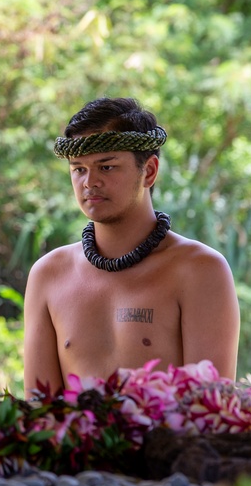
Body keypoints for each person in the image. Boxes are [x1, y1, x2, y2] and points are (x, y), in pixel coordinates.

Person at [23, 97, 239, 399]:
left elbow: (209, 413)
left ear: (149, 171)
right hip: (71, 447)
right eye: (79, 169)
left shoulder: (200, 271)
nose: (90, 182)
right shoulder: (48, 275)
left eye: (106, 166)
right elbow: (39, 414)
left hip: (175, 446)